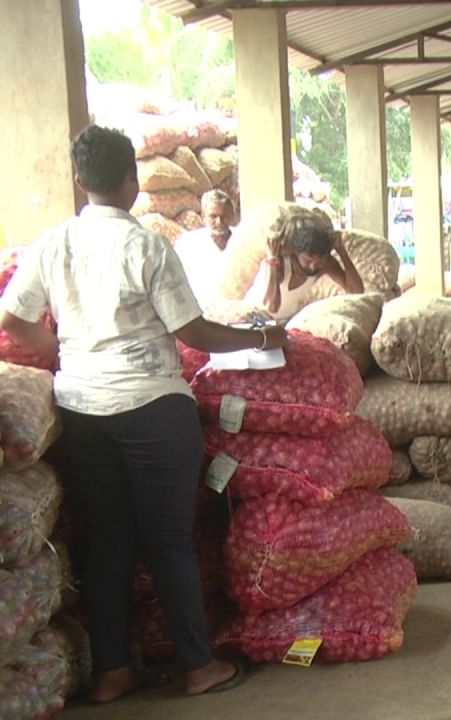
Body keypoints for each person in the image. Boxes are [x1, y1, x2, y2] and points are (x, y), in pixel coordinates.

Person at [0, 125, 290, 703]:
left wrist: (63, 353)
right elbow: (193, 330)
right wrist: (258, 336)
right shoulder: (145, 246)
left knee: (107, 539)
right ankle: (196, 666)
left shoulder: (54, 243)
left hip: (82, 409)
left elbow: (13, 319)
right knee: (168, 540)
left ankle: (112, 671)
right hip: (153, 409)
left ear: (80, 181)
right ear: (132, 182)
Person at [248, 220, 363, 323]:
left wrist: (342, 251)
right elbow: (271, 307)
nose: (313, 266)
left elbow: (356, 291)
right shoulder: (279, 262)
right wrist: (273, 263)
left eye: (319, 261)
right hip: (253, 318)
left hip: (286, 322)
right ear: (296, 253)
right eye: (307, 260)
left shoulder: (326, 264)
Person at [174, 190, 237, 308]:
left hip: (238, 310)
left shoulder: (242, 240)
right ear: (203, 216)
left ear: (232, 216)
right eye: (213, 216)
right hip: (202, 312)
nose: (219, 222)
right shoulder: (188, 244)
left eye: (224, 216)